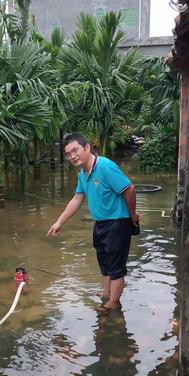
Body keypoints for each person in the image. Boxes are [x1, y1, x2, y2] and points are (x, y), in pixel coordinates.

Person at [47, 132, 139, 312]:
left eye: (75, 150)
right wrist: (59, 222)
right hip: (101, 224)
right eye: (68, 154)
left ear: (87, 147)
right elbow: (77, 198)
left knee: (115, 267)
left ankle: (113, 303)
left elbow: (129, 189)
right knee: (104, 264)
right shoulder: (83, 173)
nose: (72, 156)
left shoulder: (105, 166)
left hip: (117, 223)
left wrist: (132, 214)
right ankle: (106, 295)